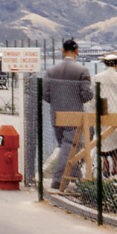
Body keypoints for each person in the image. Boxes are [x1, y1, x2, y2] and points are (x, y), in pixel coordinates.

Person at [43, 39, 93, 189]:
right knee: (70, 147)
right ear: (77, 51)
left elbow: (45, 94)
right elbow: (86, 95)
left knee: (66, 146)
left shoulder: (51, 71)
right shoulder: (82, 71)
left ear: (62, 50)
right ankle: (58, 180)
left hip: (56, 114)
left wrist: (57, 100)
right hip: (74, 115)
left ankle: (76, 178)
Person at [84, 54, 117, 177]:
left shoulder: (97, 77)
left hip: (103, 112)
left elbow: (92, 98)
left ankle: (105, 164)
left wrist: (92, 112)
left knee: (103, 139)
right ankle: (114, 166)